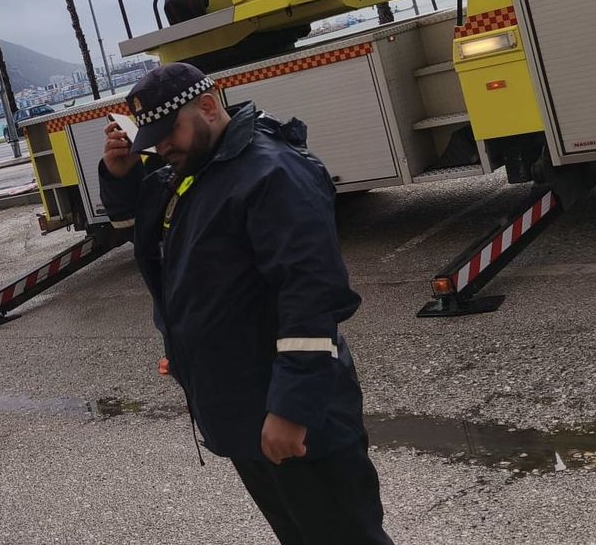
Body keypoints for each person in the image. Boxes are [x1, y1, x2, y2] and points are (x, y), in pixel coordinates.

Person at [98, 62, 391, 545]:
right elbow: (147, 220)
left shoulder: (271, 173)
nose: (161, 148)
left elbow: (310, 295)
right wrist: (122, 175)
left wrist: (291, 410)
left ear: (209, 106)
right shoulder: (200, 169)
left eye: (168, 132)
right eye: (150, 140)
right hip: (243, 411)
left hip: (293, 415)